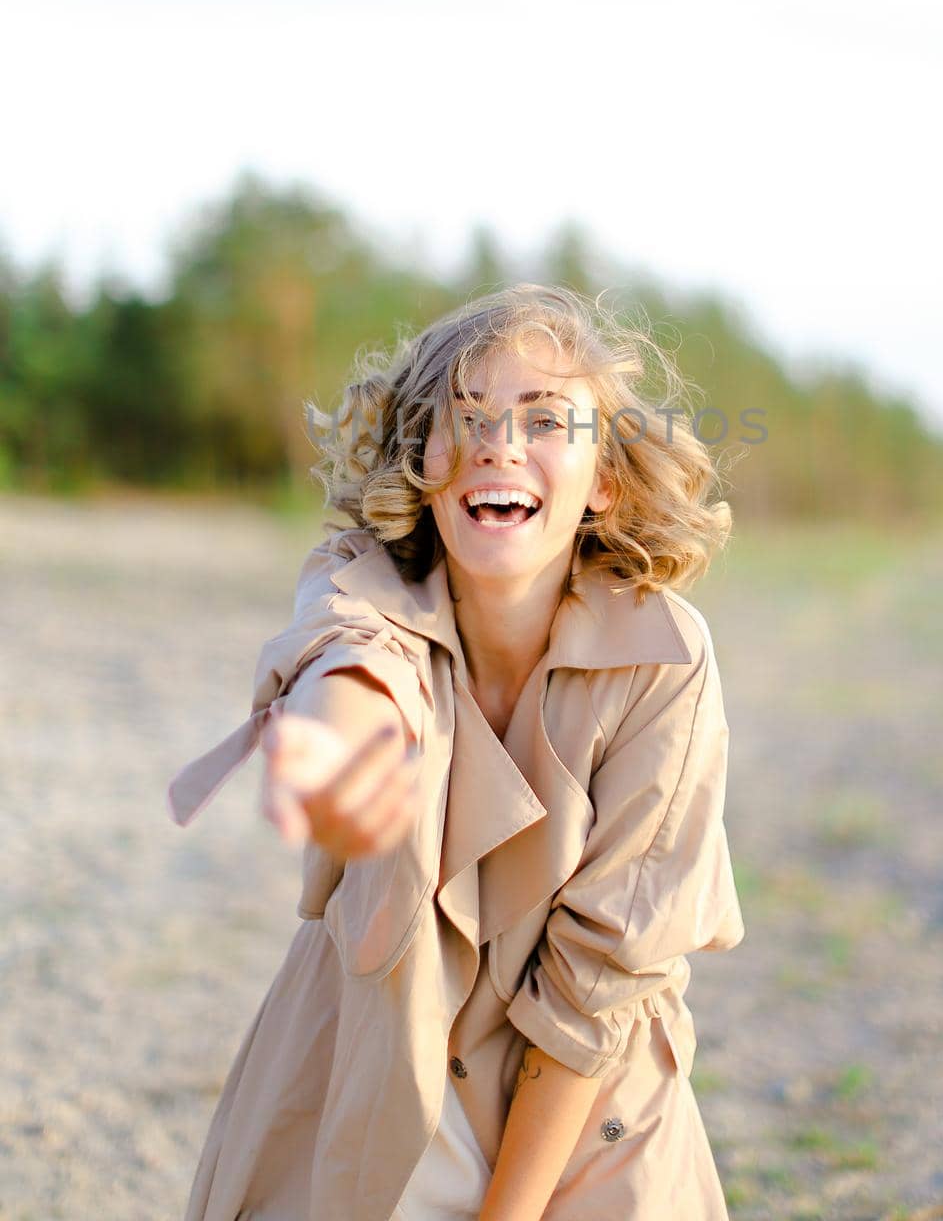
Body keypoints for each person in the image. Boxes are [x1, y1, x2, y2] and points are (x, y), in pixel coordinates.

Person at [167, 282, 746, 1221]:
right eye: (463, 415)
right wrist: (338, 737)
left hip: (588, 1105)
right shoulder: (362, 583)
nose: (498, 443)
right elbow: (350, 659)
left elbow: (592, 990)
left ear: (603, 479)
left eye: (546, 418)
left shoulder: (664, 660)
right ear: (423, 461)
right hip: (380, 1058)